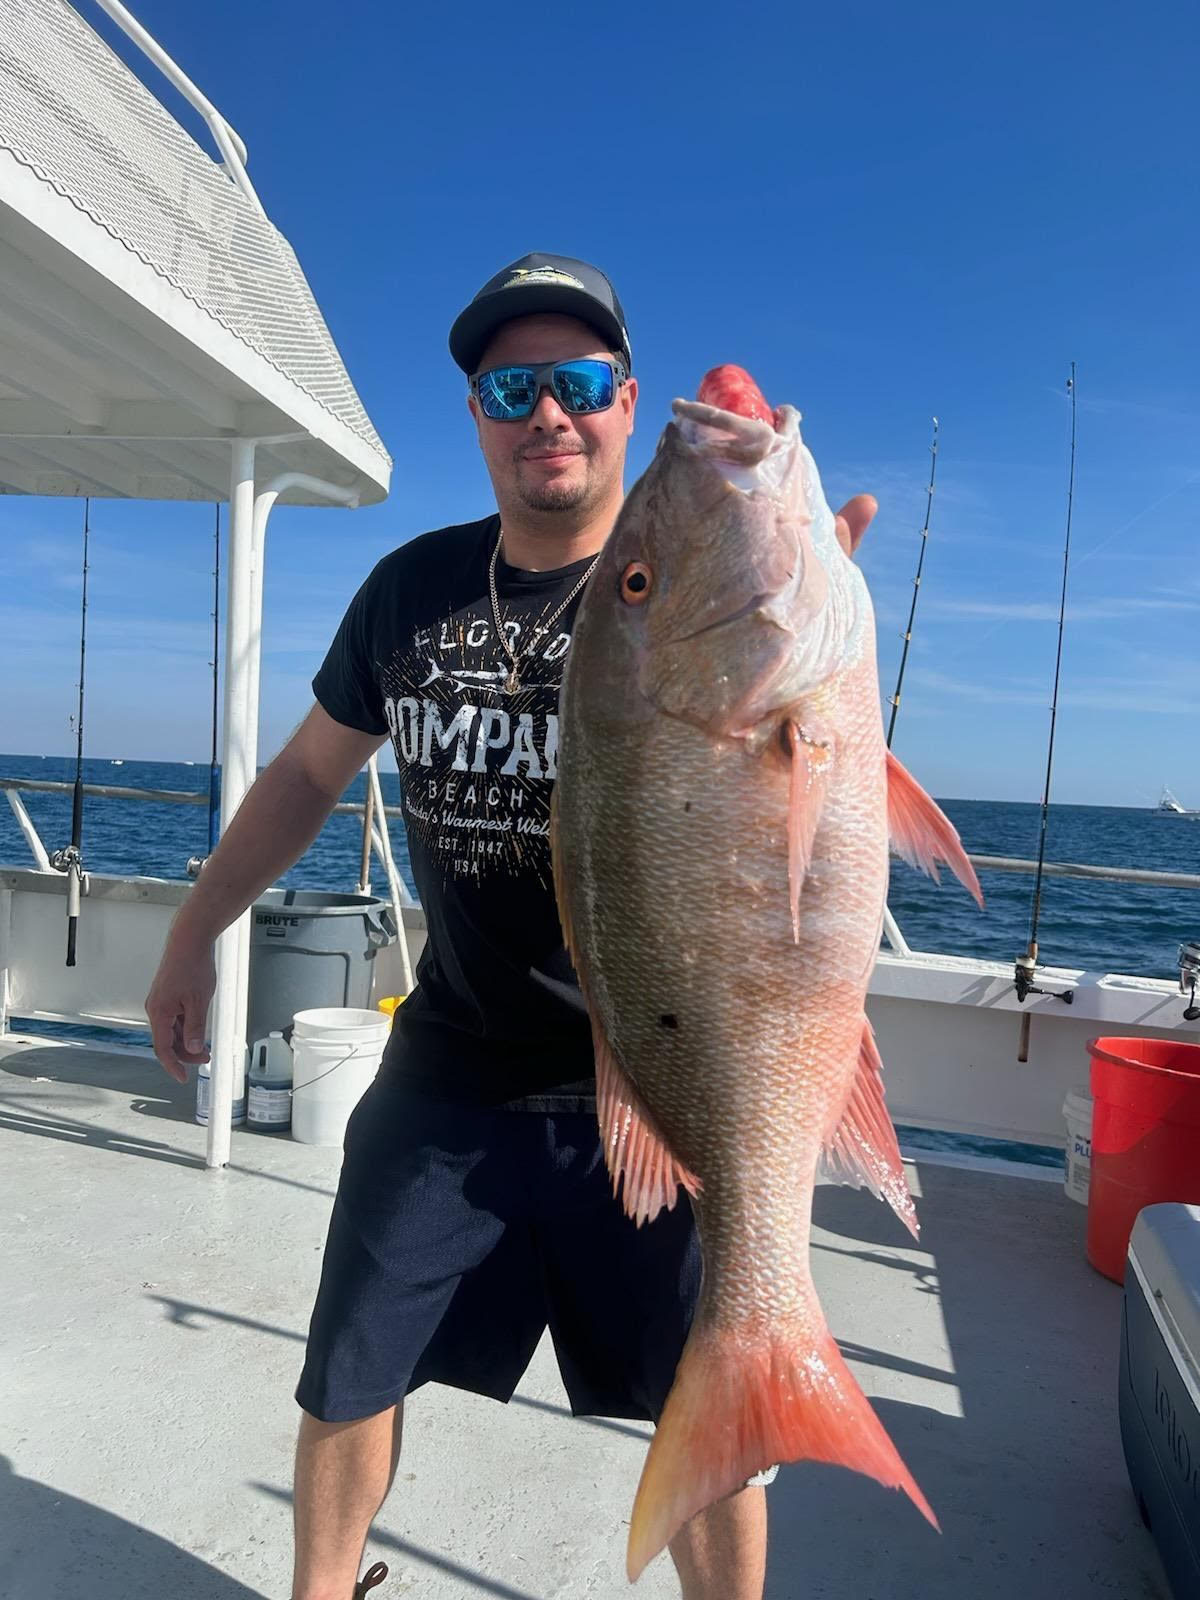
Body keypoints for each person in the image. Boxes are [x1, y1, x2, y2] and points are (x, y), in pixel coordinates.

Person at [146, 251, 876, 1600]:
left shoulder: (696, 587)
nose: (548, 413)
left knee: (716, 1389)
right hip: (452, 1069)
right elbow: (307, 775)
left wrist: (802, 635)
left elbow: (796, 830)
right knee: (348, 1370)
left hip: (669, 1077)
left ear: (626, 401)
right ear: (477, 416)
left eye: (580, 383)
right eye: (510, 388)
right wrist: (196, 929)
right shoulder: (410, 592)